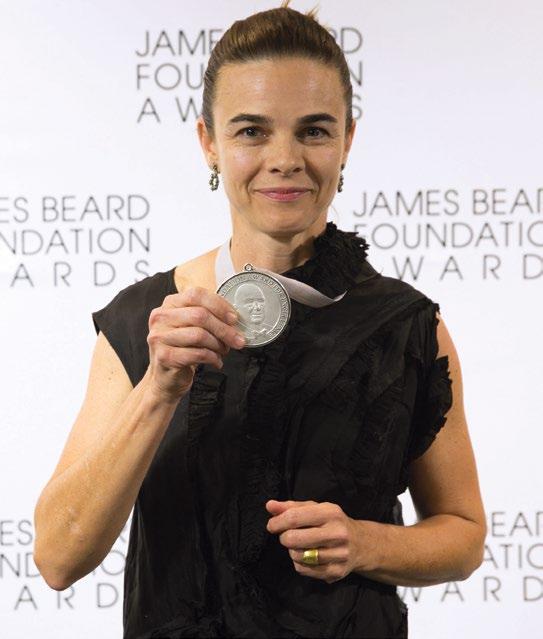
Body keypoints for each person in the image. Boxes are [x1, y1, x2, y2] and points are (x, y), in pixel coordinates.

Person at [33, 2, 487, 637]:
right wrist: (159, 389)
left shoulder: (406, 325)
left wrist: (366, 543)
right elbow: (57, 559)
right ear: (209, 143)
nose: (285, 158)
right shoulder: (146, 322)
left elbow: (463, 536)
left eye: (314, 131)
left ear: (347, 141)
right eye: (251, 131)